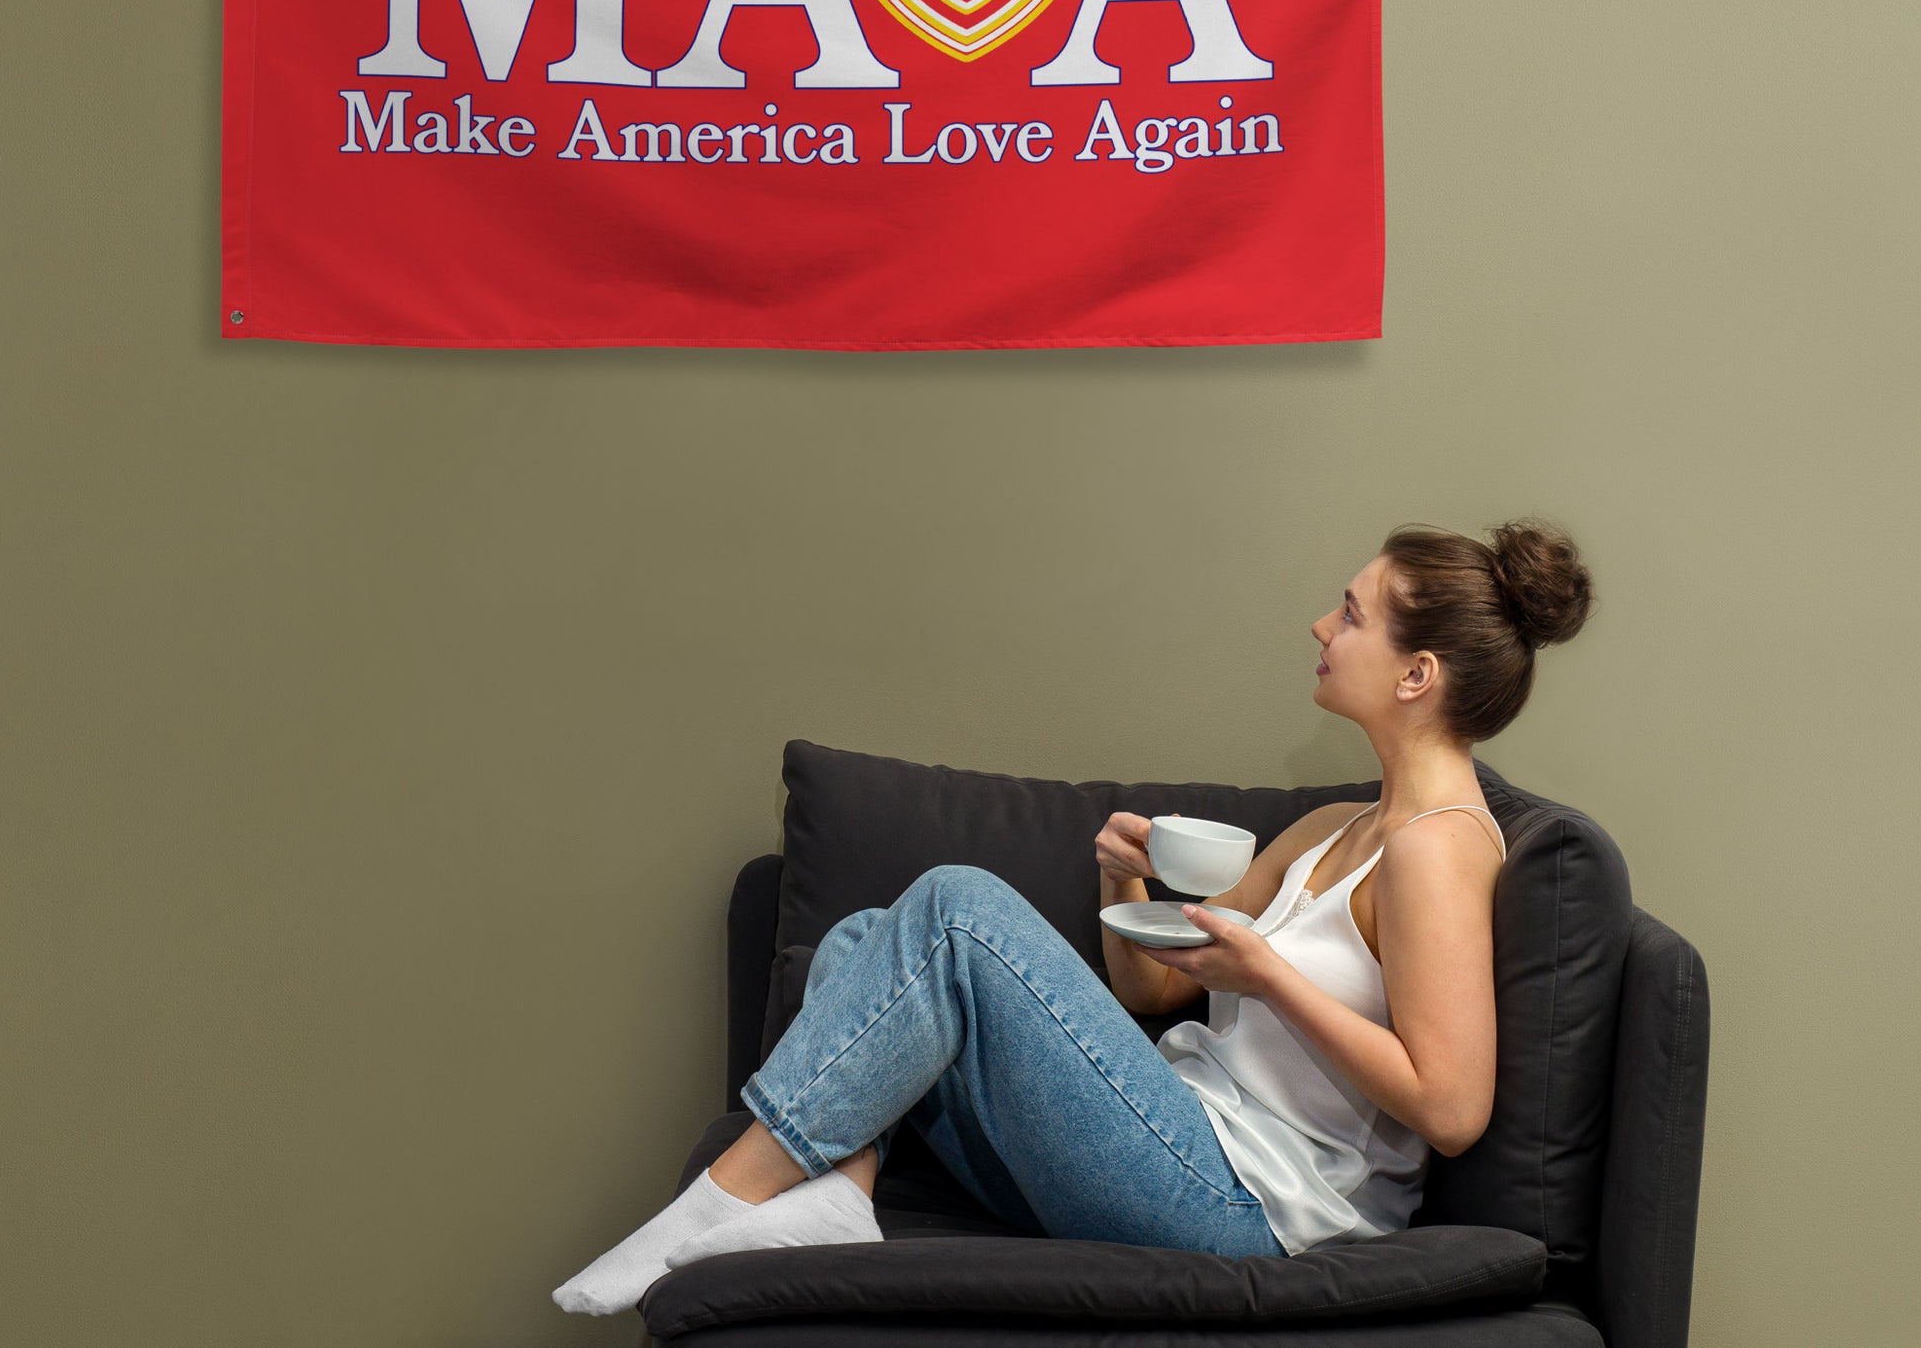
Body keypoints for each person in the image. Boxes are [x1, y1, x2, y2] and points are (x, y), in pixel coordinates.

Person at [552, 517, 1595, 1315]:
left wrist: (1270, 975)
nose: (1321, 626)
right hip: (1170, 1142)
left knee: (956, 906)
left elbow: (1450, 1105)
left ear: (1417, 674)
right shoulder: (1337, 824)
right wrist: (1121, 883)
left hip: (1247, 1209)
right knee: (860, 935)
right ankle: (840, 1187)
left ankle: (719, 1206)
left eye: (1352, 613)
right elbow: (1151, 987)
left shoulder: (1438, 849)